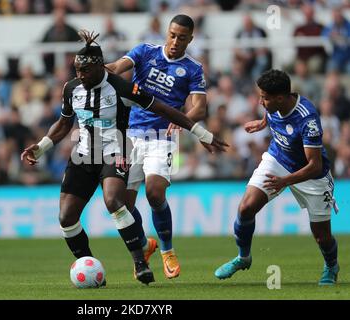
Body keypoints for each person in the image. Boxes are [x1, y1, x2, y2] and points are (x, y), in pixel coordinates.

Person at [21, 30, 228, 286]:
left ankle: (141, 263)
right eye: (76, 71)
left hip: (117, 151)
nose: (79, 76)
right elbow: (63, 125)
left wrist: (201, 132)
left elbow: (163, 109)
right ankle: (91, 265)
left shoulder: (123, 87)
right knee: (66, 218)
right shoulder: (71, 88)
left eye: (84, 71)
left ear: (99, 67)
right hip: (83, 154)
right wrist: (40, 148)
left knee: (114, 202)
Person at [106, 14, 210, 279]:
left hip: (162, 136)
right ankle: (144, 244)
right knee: (125, 206)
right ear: (167, 32)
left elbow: (200, 106)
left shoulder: (193, 68)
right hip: (130, 135)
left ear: (190, 39)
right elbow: (119, 66)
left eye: (182, 38)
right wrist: (99, 68)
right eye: (172, 35)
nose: (175, 41)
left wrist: (185, 120)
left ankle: (167, 250)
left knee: (154, 192)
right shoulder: (145, 51)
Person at [214, 70, 340, 286]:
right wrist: (263, 123)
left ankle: (331, 265)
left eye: (264, 97)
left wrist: (285, 182)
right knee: (246, 208)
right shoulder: (276, 103)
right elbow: (272, 114)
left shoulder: (307, 119)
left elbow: (314, 165)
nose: (260, 101)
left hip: (311, 175)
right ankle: (243, 257)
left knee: (321, 236)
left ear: (280, 98)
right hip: (278, 159)